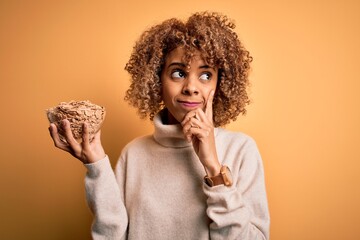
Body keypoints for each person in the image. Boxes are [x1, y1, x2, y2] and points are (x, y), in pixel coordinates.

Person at [49, 11, 270, 240]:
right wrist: (97, 167)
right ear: (156, 81)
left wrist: (214, 169)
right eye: (178, 73)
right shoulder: (134, 154)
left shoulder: (242, 150)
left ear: (220, 83)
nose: (191, 87)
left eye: (205, 75)